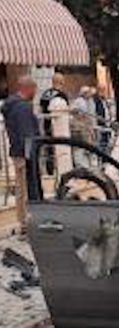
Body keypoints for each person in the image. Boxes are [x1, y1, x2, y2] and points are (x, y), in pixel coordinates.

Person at [1, 76, 38, 233]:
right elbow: (26, 134)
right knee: (24, 189)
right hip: (23, 153)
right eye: (34, 90)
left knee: (20, 188)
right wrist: (30, 154)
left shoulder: (12, 105)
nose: (35, 93)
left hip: (17, 151)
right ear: (28, 89)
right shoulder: (22, 107)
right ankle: (24, 223)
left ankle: (23, 221)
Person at [94, 84, 114, 153]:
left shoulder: (104, 99)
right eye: (102, 90)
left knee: (107, 140)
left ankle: (106, 155)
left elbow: (107, 109)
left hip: (107, 122)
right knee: (102, 142)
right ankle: (103, 156)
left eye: (104, 90)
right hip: (101, 123)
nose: (103, 92)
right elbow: (96, 112)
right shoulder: (96, 100)